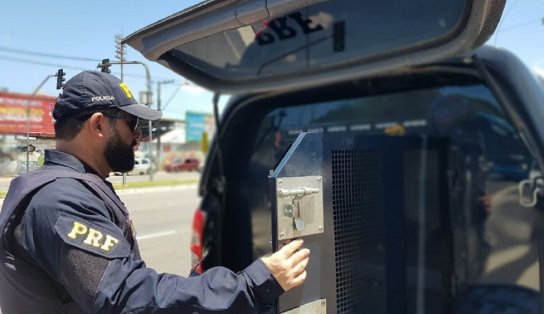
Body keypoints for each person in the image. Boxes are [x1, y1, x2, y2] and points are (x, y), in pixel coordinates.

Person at [0, 71, 310, 313]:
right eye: (131, 123)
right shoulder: (59, 200)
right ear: (98, 125)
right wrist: (252, 285)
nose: (138, 137)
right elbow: (128, 297)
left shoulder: (66, 185)